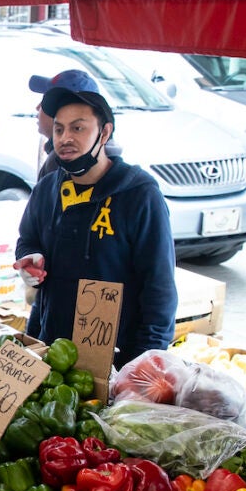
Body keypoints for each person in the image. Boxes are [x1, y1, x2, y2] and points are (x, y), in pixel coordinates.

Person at [15, 86, 177, 366]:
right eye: (59, 129)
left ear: (104, 133)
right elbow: (28, 239)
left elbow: (159, 287)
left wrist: (146, 361)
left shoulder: (140, 195)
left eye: (78, 128)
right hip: (50, 345)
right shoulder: (47, 189)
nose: (65, 138)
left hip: (117, 357)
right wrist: (30, 258)